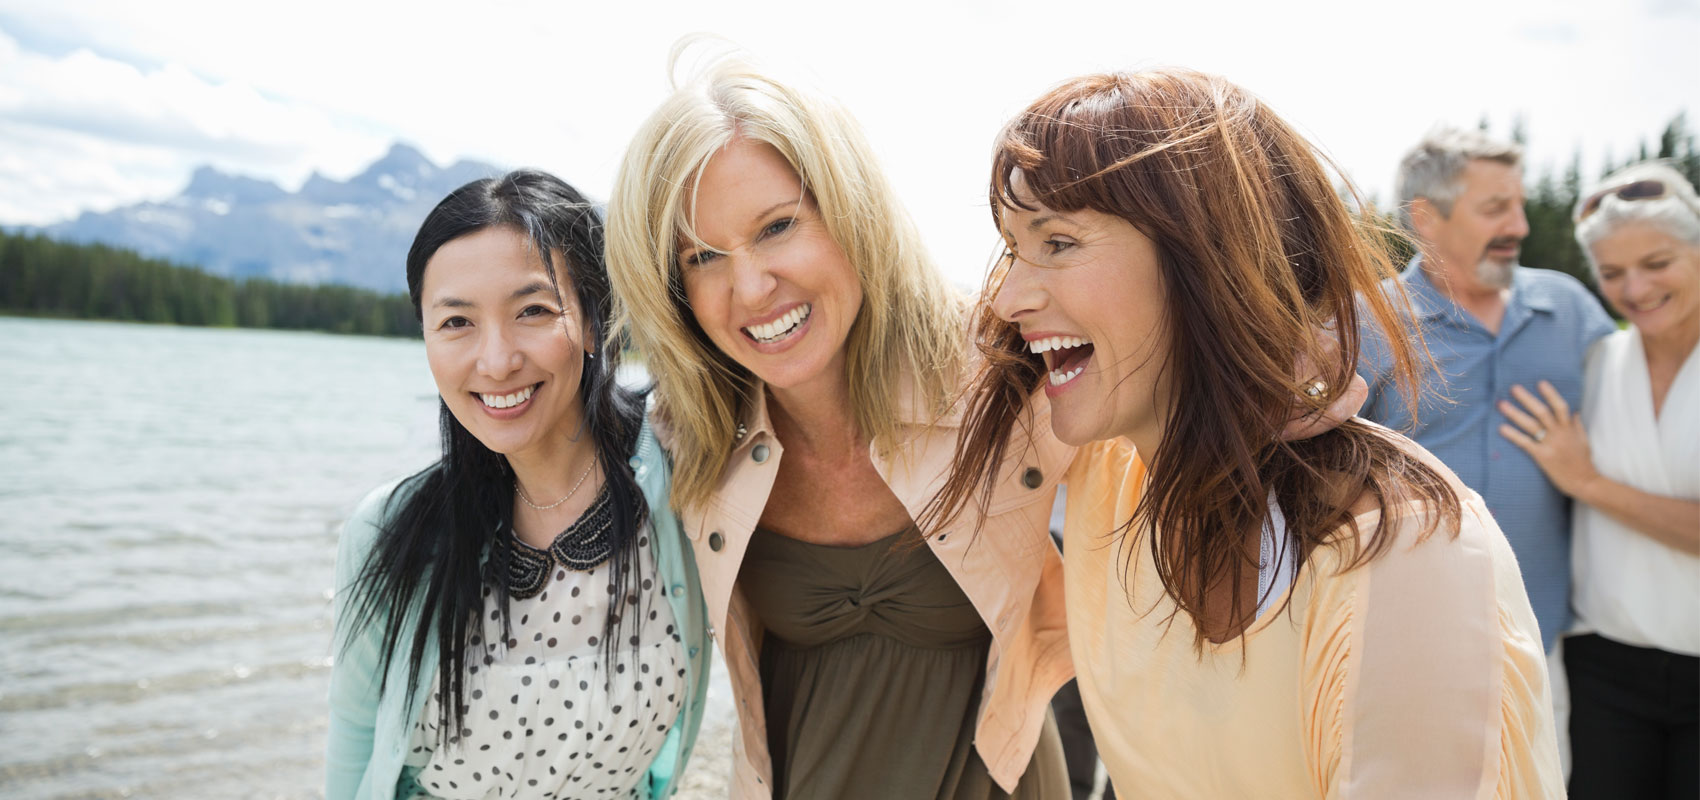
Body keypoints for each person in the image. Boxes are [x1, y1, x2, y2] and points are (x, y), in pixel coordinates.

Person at [940, 69, 1563, 797]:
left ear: (1212, 259)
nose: (1009, 297)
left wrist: (1260, 338)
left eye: (1060, 241)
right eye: (1014, 247)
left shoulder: (1408, 555)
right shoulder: (1109, 472)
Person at [604, 52, 1075, 799]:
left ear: (850, 210)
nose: (752, 286)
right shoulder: (684, 444)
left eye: (779, 226)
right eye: (703, 257)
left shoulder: (1004, 370)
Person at [325, 171, 711, 800]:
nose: (497, 359)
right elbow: (354, 731)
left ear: (592, 321)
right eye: (456, 323)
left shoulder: (685, 478)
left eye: (532, 310)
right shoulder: (388, 528)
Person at [1358, 126, 1617, 652]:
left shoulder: (1570, 308)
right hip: (1410, 624)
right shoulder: (1368, 321)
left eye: (1519, 206)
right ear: (1428, 217)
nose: (1518, 226)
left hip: (1543, 630)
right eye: (1496, 208)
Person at [1497, 162, 1700, 800]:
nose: (1635, 288)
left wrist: (1588, 483)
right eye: (1612, 274)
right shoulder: (1597, 362)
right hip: (1602, 669)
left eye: (1657, 262)